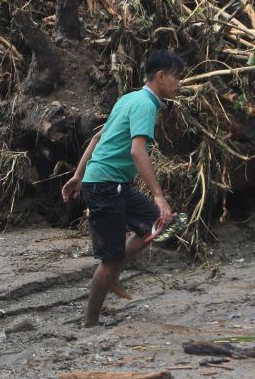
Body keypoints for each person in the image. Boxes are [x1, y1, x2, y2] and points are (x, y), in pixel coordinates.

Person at [62, 49, 185, 328]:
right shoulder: (145, 104)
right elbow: (137, 152)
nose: (180, 84)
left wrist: (79, 175)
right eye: (177, 77)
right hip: (106, 185)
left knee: (158, 223)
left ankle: (114, 274)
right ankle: (90, 321)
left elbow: (97, 137)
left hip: (110, 183)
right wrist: (158, 194)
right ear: (161, 76)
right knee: (110, 257)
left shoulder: (129, 98)